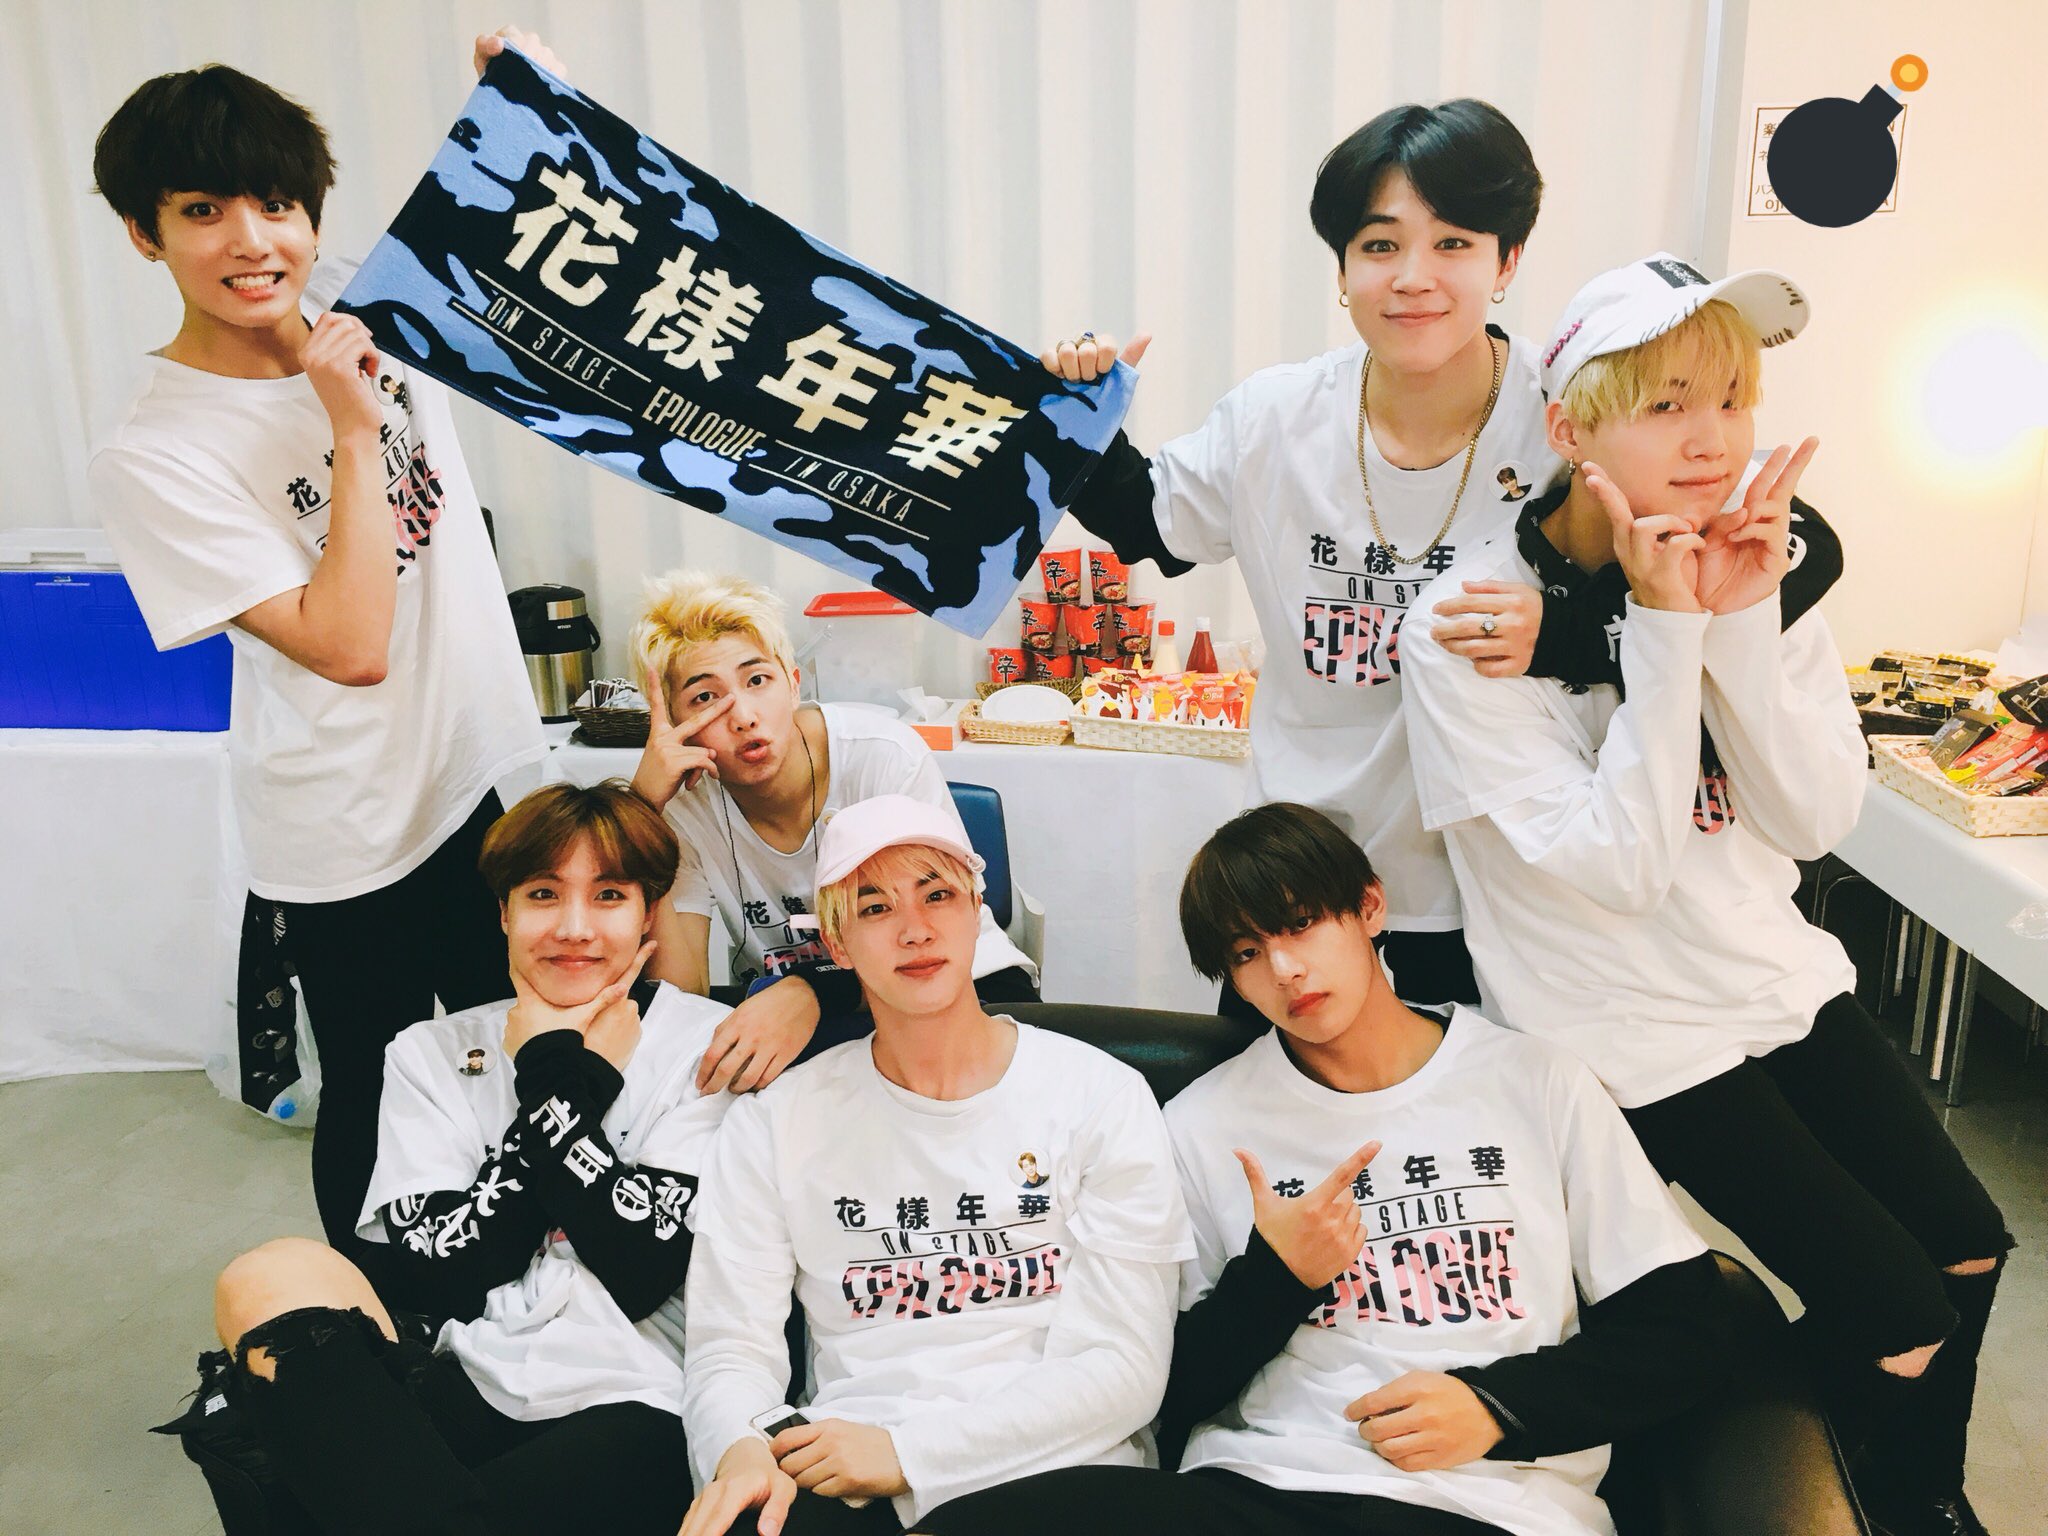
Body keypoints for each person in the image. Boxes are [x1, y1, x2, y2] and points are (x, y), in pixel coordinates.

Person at [1399, 256, 2011, 1536]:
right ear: (1570, 428)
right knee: (1895, 1314)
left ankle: (1911, 1499)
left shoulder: (1751, 556)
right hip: (1627, 1024)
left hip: (1765, 974)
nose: (1709, 439)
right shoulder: (1467, 621)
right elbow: (1620, 869)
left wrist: (1735, 616)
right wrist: (1662, 630)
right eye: (1665, 404)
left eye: (1730, 400)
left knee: (1965, 1244)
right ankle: (1768, 1492)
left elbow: (1811, 818)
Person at [1043, 100, 1843, 1013]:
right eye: (1379, 245)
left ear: (1507, 263)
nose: (1413, 278)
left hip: (1496, 896)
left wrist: (1566, 633)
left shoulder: (1568, 404)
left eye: (1455, 243)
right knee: (1273, 1101)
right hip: (1307, 885)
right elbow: (1148, 521)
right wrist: (1074, 417)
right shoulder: (1274, 419)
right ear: (1341, 270)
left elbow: (1798, 551)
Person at [929, 801, 1737, 1536]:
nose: (1284, 969)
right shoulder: (1200, 1124)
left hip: (1482, 1503)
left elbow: (1687, 1325)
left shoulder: (1536, 1083)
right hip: (1259, 1487)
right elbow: (1159, 1386)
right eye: (1248, 952)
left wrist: (1497, 1407)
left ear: (1371, 908)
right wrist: (1274, 1279)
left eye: (1302, 924)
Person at [85, 29, 563, 1261]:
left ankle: (524, 1294)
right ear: (145, 234)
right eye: (202, 212)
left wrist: (525, 98)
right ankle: (377, 1322)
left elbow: (512, 230)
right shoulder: (157, 450)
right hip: (345, 825)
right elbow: (349, 644)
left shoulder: (360, 296)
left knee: (524, 1043)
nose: (252, 241)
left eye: (277, 204)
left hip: (465, 770)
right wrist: (351, 429)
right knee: (380, 1077)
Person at [203, 781, 732, 1536]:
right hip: (469, 1373)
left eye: (609, 896)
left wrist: (553, 1073)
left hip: (639, 1395)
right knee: (267, 1273)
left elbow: (642, 1265)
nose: (574, 928)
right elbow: (446, 1276)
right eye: (543, 894)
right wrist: (570, 1078)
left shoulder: (710, 1044)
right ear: (504, 913)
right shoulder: (429, 1053)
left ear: (648, 914)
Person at [678, 795, 1192, 1536]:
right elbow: (730, 1347)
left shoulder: (1101, 1097)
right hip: (850, 1476)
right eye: (876, 907)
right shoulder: (774, 1123)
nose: (915, 929)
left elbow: (1125, 1368)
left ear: (978, 913)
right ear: (837, 942)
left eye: (938, 895)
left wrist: (908, 1455)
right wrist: (739, 1450)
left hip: (1061, 1472)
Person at [628, 569, 1038, 1096]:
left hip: (960, 982)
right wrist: (642, 811)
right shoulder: (682, 811)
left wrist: (815, 990)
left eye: (758, 681)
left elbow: (926, 934)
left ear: (794, 683)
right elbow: (679, 995)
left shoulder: (882, 755)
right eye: (705, 697)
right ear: (671, 722)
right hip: (797, 1018)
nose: (744, 716)